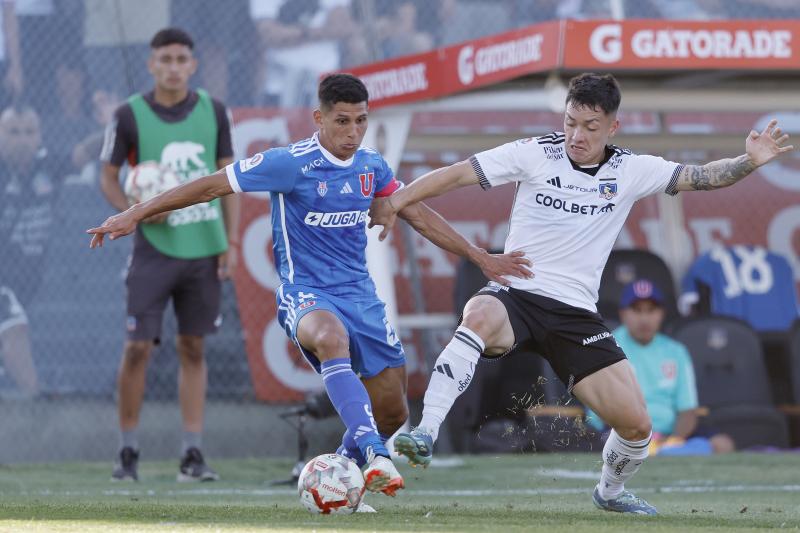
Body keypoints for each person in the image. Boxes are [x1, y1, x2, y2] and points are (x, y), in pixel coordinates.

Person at [88, 73, 530, 502]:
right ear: (318, 119)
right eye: (342, 120)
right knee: (329, 338)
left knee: (393, 411)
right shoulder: (288, 163)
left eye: (361, 120)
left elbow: (417, 213)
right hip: (306, 293)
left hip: (361, 295)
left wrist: (481, 257)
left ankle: (339, 472)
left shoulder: (371, 166)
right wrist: (135, 213)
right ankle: (376, 454)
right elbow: (209, 187)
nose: (353, 131)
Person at [367, 72, 792, 515]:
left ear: (613, 127)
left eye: (590, 127)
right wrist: (396, 202)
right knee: (477, 313)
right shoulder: (534, 153)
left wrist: (748, 162)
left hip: (575, 315)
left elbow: (702, 176)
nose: (577, 135)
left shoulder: (631, 169)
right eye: (571, 122)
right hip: (519, 294)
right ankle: (426, 432)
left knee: (637, 425)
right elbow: (457, 175)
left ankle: (609, 492)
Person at [98, 28, 240, 483]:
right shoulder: (128, 115)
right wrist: (133, 212)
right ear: (151, 64)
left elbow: (229, 179)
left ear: (193, 65)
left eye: (182, 58)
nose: (174, 66)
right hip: (153, 251)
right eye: (166, 59)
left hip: (203, 245)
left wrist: (230, 242)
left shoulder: (215, 111)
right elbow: (107, 175)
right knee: (138, 348)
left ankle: (192, 455)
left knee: (193, 346)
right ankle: (127, 452)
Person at [585, 279, 735, 455]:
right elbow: (602, 410)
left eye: (651, 310)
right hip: (618, 432)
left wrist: (673, 440)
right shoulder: (607, 346)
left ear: (661, 313)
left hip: (667, 435)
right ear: (623, 313)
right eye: (637, 310)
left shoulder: (676, 351)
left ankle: (664, 451)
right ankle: (664, 452)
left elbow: (687, 411)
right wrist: (637, 438)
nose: (644, 318)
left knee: (723, 444)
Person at [0, 104, 56, 398]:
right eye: (13, 132)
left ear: (39, 137)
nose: (22, 139)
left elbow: (82, 154)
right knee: (14, 328)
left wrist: (117, 123)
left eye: (28, 132)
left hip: (26, 279)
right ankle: (37, 405)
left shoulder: (46, 168)